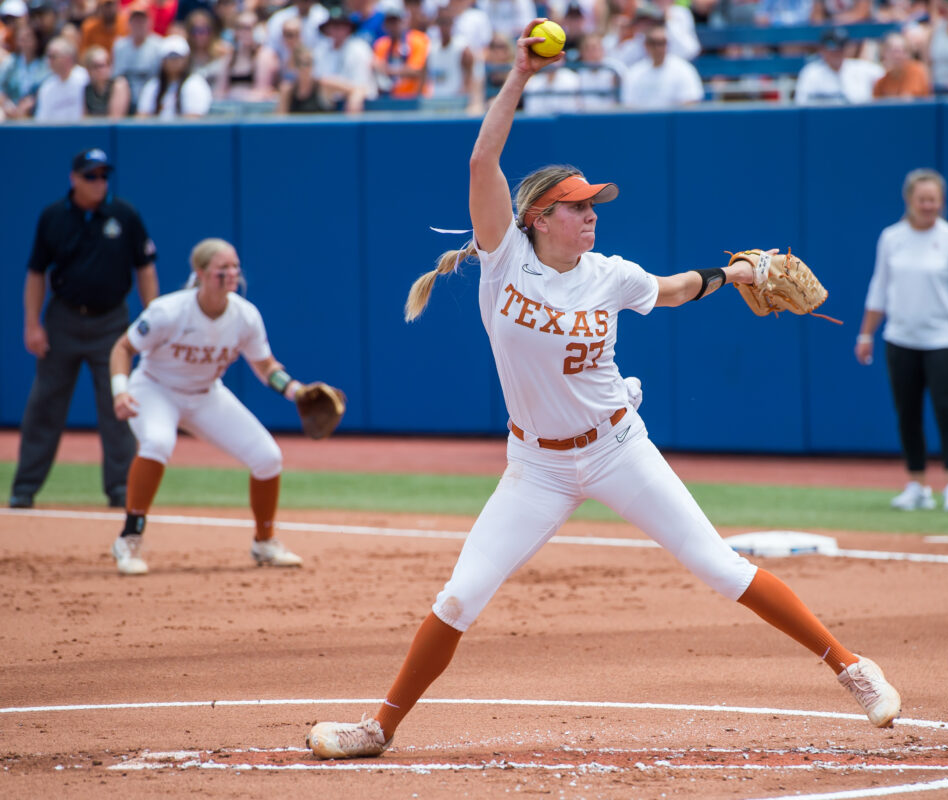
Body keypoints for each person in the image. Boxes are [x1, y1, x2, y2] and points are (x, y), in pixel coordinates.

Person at [304, 19, 902, 760]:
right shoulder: (502, 258)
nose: (591, 214)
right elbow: (482, 156)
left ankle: (852, 669)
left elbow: (678, 288)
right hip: (536, 468)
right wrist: (519, 74)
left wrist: (736, 275)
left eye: (594, 206)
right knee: (460, 596)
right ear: (538, 219)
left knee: (718, 565)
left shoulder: (609, 273)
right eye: (578, 206)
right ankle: (379, 728)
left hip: (618, 447)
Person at [106, 238, 306, 576]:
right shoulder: (169, 311)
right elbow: (123, 348)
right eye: (221, 269)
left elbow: (266, 366)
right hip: (156, 389)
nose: (231, 274)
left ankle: (264, 541)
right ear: (199, 273)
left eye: (234, 267)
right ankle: (129, 538)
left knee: (268, 456)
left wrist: (296, 391)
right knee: (157, 442)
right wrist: (120, 391)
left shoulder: (244, 315)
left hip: (205, 394)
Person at [9, 149, 159, 511]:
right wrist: (33, 324)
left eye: (104, 176)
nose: (99, 183)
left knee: (119, 407)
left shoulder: (124, 215)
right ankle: (24, 489)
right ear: (74, 179)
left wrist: (152, 321)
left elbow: (145, 268)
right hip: (64, 320)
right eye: (91, 176)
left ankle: (121, 490)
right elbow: (35, 274)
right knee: (45, 405)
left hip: (112, 323)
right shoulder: (53, 218)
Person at [855, 168, 948, 514]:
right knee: (907, 413)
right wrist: (866, 333)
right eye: (922, 199)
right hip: (900, 339)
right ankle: (917, 485)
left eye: (934, 200)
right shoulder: (891, 238)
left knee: (946, 409)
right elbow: (879, 287)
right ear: (909, 199)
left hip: (942, 339)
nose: (928, 205)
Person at [622, 21, 703, 108]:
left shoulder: (684, 70)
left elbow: (691, 103)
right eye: (653, 43)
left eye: (662, 42)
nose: (658, 48)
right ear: (646, 45)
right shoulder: (635, 73)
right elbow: (629, 106)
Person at [794, 26, 883, 105]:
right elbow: (802, 105)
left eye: (840, 48)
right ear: (822, 50)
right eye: (832, 49)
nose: (836, 53)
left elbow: (886, 77)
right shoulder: (811, 73)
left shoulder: (864, 69)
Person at [136, 34, 212, 117]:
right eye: (170, 56)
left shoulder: (195, 84)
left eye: (177, 56)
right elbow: (142, 117)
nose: (173, 61)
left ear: (186, 58)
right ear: (163, 60)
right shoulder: (153, 85)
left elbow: (194, 120)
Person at [112, 1, 162, 104]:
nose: (139, 24)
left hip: (151, 96)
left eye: (142, 20)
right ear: (129, 22)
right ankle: (115, 120)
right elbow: (116, 76)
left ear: (149, 22)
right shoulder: (120, 46)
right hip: (126, 98)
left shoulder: (159, 45)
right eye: (135, 20)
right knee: (119, 85)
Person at [33, 35, 87, 119]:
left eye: (53, 56)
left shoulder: (85, 79)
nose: (49, 61)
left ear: (67, 58)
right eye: (48, 57)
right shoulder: (47, 87)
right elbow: (42, 120)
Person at [873, 31, 931, 99]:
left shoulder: (917, 71)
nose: (898, 56)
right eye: (894, 51)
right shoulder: (881, 82)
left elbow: (908, 101)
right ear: (884, 53)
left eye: (903, 51)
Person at [82, 43, 133, 116]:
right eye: (97, 66)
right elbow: (84, 118)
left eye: (107, 63)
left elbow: (115, 119)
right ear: (88, 69)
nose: (103, 69)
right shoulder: (87, 89)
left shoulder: (119, 85)